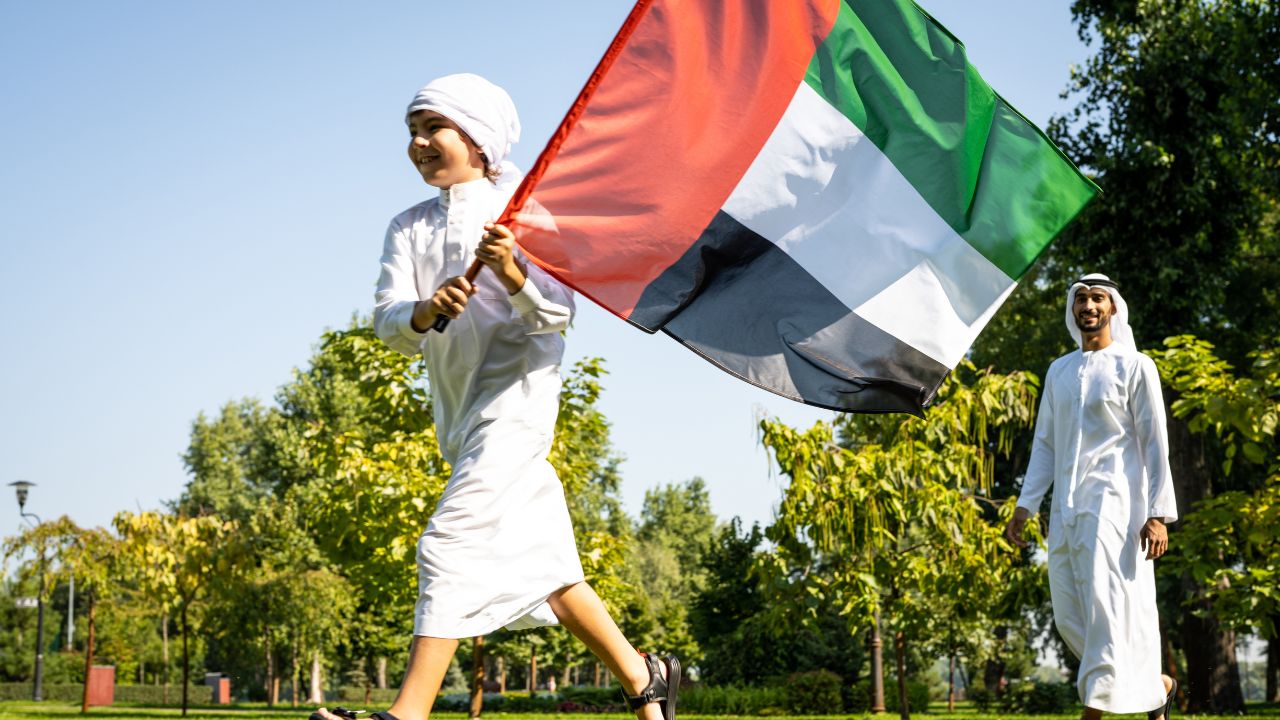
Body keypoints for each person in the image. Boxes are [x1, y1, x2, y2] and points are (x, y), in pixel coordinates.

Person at [311, 73, 679, 720]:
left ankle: (408, 713)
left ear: (479, 139)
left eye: (434, 129)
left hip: (517, 402)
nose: (420, 142)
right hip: (456, 412)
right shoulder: (407, 227)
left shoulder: (530, 209)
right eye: (413, 132)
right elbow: (388, 321)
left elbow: (556, 317)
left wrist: (511, 272)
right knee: (555, 575)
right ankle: (646, 682)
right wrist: (425, 310)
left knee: (448, 541)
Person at [1005, 274, 1178, 720]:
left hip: (1116, 505)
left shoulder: (1136, 366)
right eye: (1081, 298)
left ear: (1113, 308)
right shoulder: (1059, 371)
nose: (1088, 305)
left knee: (1105, 608)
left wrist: (1158, 514)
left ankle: (1093, 711)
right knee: (1069, 614)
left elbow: (1155, 442)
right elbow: (1044, 444)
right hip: (1066, 509)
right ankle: (1154, 687)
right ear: (1073, 309)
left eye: (1097, 298)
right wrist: (1025, 508)